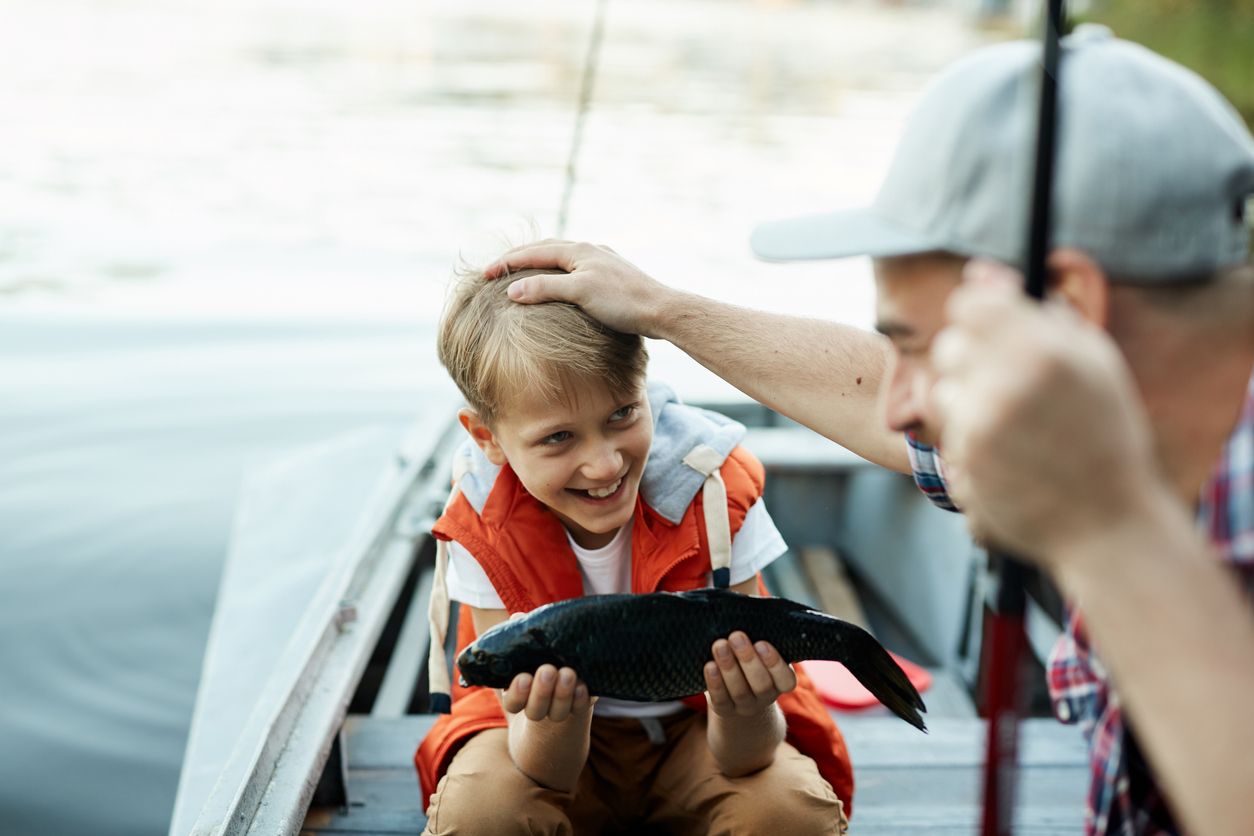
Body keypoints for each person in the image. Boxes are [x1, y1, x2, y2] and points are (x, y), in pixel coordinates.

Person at [485, 27, 1254, 836]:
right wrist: (664, 311)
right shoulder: (1129, 433)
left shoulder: (1120, 494)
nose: (897, 412)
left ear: (1068, 309)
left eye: (922, 346)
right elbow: (873, 388)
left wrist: (1108, 530)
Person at [414, 261, 852, 835]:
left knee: (786, 813)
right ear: (487, 440)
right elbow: (538, 766)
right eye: (558, 437)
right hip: (543, 749)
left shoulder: (716, 492)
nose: (604, 464)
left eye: (622, 414)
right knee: (482, 816)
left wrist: (742, 705)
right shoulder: (481, 523)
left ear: (646, 389)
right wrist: (554, 722)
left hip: (698, 736)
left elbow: (746, 757)